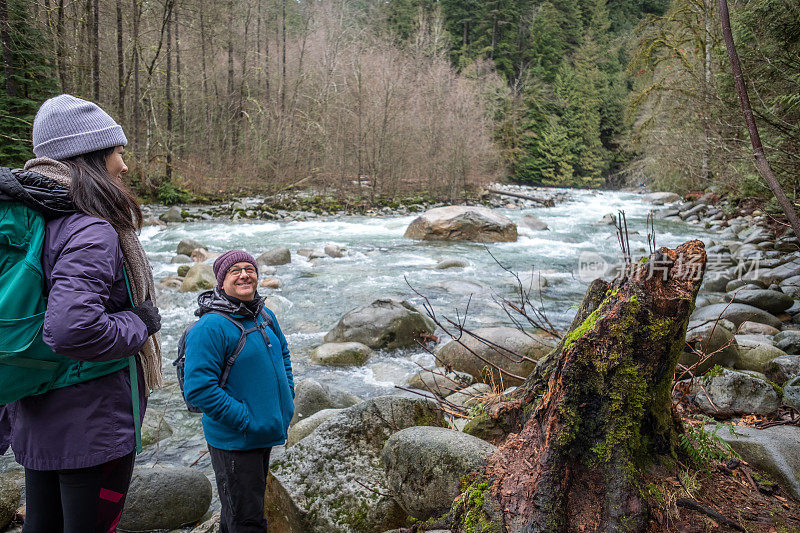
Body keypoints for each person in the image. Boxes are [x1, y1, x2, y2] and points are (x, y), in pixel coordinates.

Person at [0, 94, 162, 532]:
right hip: (91, 423)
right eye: (116, 152)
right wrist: (141, 322)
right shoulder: (88, 226)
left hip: (34, 407)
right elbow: (72, 329)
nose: (123, 166)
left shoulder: (31, 215)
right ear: (87, 157)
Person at [183, 250, 295, 533]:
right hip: (236, 440)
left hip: (261, 432)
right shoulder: (210, 327)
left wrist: (288, 394)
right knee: (247, 521)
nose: (245, 275)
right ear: (221, 282)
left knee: (239, 514)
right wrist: (246, 419)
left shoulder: (264, 315)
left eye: (249, 269)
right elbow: (198, 389)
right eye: (235, 271)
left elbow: (283, 354)